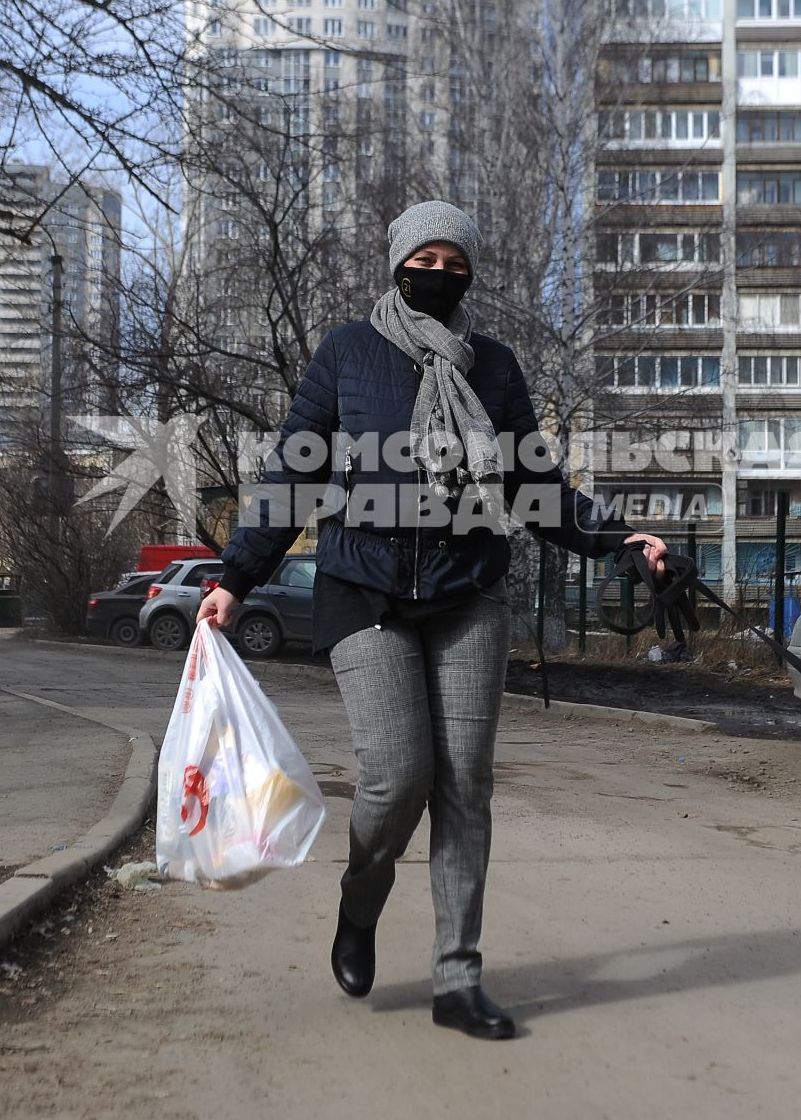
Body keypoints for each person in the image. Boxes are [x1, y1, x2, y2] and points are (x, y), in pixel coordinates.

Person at [197, 199, 666, 1041]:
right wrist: (238, 575)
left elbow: (534, 485)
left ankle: (458, 976)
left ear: (469, 276)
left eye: (456, 264)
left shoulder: (495, 367)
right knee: (397, 771)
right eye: (427, 260)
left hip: (467, 592)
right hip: (363, 588)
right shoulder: (348, 351)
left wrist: (613, 536)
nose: (440, 275)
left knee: (464, 784)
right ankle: (360, 900)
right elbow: (294, 468)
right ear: (399, 262)